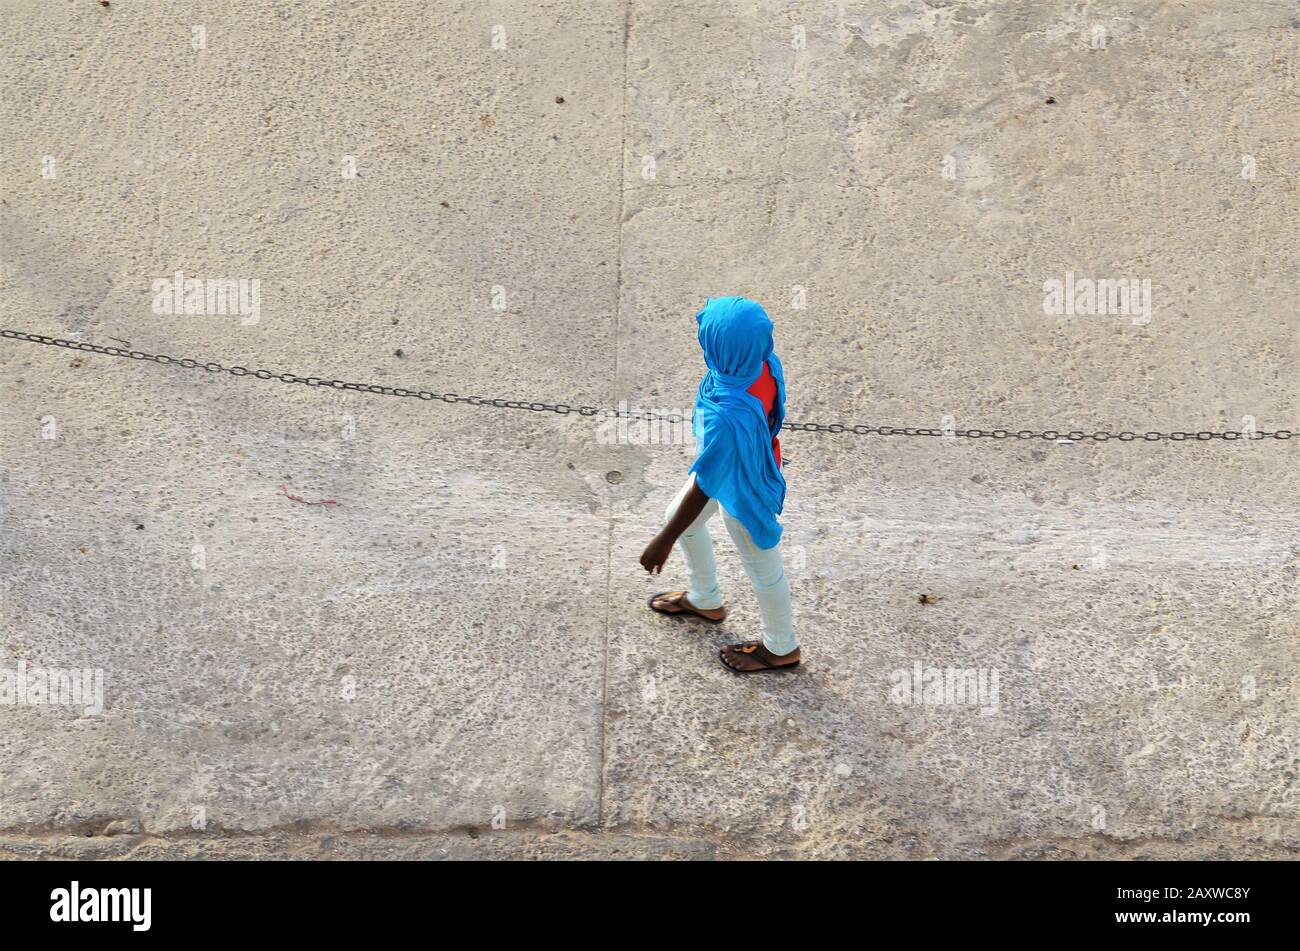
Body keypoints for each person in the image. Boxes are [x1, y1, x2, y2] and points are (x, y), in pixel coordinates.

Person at [639, 296, 799, 673]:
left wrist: (662, 541)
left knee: (763, 567)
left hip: (742, 487)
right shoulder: (760, 364)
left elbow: (706, 485)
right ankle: (705, 598)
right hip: (736, 462)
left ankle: (781, 647)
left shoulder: (728, 413)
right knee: (681, 519)